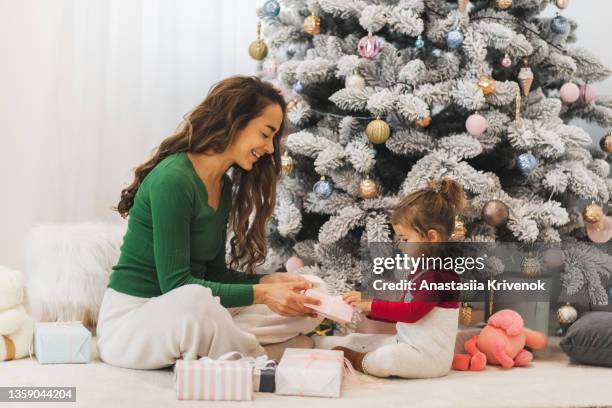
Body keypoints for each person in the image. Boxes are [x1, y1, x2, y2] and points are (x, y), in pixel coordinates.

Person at [96, 76, 325, 370]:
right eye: (265, 134)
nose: (269, 148)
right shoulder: (174, 180)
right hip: (132, 326)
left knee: (311, 291)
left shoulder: (222, 186)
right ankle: (259, 358)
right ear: (236, 121)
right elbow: (177, 286)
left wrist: (267, 282)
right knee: (195, 300)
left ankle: (223, 346)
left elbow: (215, 275)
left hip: (190, 313)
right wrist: (263, 294)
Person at [334, 179, 466, 379]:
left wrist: (372, 306)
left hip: (429, 359)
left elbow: (412, 313)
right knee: (377, 342)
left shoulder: (441, 275)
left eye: (405, 239)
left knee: (389, 358)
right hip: (409, 345)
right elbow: (402, 307)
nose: (401, 246)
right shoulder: (422, 270)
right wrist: (367, 307)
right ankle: (360, 350)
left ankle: (357, 360)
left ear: (431, 238)